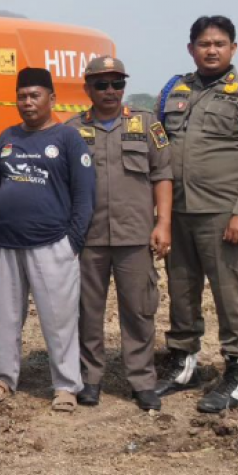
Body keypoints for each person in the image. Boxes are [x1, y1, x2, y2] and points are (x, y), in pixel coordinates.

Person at [154, 16, 238, 412]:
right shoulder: (175, 90)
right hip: (179, 211)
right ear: (191, 48)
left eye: (220, 44)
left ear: (233, 49)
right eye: (204, 43)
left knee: (230, 295)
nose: (211, 50)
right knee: (181, 290)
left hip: (224, 215)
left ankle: (236, 368)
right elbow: (158, 145)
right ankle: (181, 360)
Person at [0, 67, 95, 412]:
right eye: (22, 96)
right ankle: (1, 379)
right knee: (3, 318)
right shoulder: (7, 138)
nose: (27, 103)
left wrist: (72, 242)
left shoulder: (68, 138)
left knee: (59, 319)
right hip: (6, 245)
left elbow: (85, 195)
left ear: (51, 99)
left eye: (35, 96)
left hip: (52, 244)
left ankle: (66, 386)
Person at [67, 57, 171, 411]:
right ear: (87, 89)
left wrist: (163, 224)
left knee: (140, 310)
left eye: (116, 84)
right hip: (89, 238)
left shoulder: (145, 123)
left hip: (135, 236)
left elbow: (163, 175)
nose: (110, 91)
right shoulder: (72, 129)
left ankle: (142, 381)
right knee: (87, 311)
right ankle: (89, 379)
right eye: (101, 84)